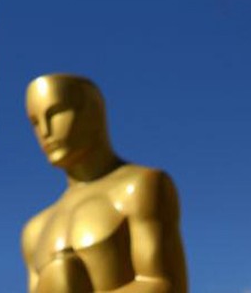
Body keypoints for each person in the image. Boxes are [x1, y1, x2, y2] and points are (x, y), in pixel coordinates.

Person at [21, 74, 187, 293]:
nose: (45, 131)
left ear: (93, 111)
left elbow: (163, 284)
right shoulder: (35, 231)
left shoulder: (140, 187)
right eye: (35, 122)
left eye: (56, 112)